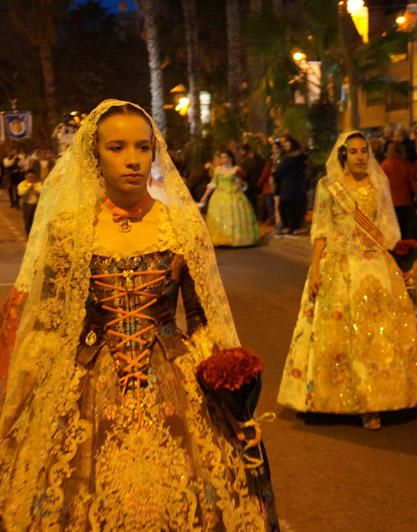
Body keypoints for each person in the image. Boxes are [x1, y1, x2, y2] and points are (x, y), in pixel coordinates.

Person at [0, 100, 278, 529]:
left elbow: (201, 318)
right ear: (95, 155)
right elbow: (51, 323)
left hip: (173, 375)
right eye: (117, 147)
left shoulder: (180, 225)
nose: (133, 160)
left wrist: (228, 390)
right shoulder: (68, 230)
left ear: (154, 151)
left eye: (142, 147)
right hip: (88, 378)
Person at [277, 131, 417, 430]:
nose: (360, 156)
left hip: (375, 266)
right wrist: (315, 269)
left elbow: (389, 227)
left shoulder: (379, 184)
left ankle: (376, 401)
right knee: (341, 336)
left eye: (364, 151)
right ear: (343, 156)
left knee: (376, 337)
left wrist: (401, 263)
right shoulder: (328, 187)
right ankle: (343, 399)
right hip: (339, 267)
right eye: (353, 152)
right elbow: (322, 230)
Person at [204, 149, 260, 247]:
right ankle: (221, 239)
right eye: (221, 157)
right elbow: (213, 183)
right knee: (220, 217)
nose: (222, 159)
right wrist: (204, 197)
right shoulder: (218, 170)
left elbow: (242, 182)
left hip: (234, 195)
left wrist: (239, 184)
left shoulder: (236, 169)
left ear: (230, 158)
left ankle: (236, 238)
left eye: (224, 157)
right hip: (220, 196)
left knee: (236, 216)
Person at [381, 140, 416, 239]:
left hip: (391, 203)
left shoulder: (385, 165)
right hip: (406, 202)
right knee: (404, 230)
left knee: (393, 231)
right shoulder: (407, 165)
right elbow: (412, 183)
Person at [273, 137, 307, 235]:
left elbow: (284, 169)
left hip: (294, 186)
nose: (284, 145)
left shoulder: (298, 157)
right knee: (283, 206)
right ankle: (286, 225)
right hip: (285, 185)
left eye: (286, 142)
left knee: (293, 207)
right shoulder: (285, 156)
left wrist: (278, 172)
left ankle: (293, 227)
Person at [16, 170, 42, 236]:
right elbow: (20, 193)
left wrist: (35, 189)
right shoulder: (22, 184)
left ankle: (34, 235)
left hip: (36, 204)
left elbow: (41, 192)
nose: (31, 178)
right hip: (27, 204)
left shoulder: (38, 183)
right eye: (29, 176)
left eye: (32, 176)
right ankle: (28, 234)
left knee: (36, 221)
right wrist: (28, 189)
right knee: (27, 221)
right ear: (26, 176)